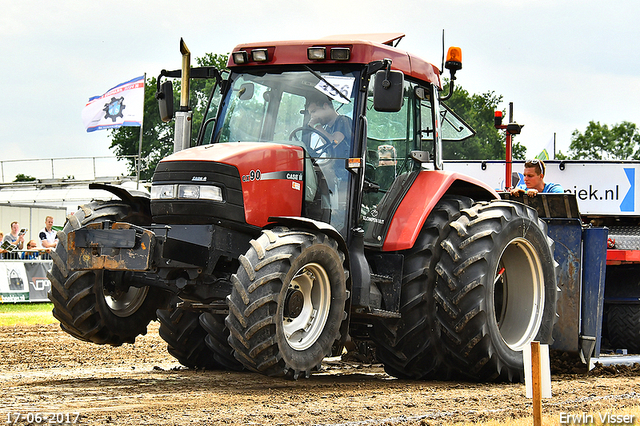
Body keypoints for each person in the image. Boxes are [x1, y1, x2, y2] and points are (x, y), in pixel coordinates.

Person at [305, 93, 352, 159]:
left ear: (325, 106)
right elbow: (330, 158)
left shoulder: (343, 121)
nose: (312, 116)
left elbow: (333, 144)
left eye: (314, 111)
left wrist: (317, 127)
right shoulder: (326, 129)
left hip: (346, 168)